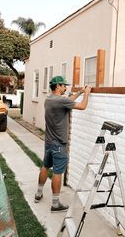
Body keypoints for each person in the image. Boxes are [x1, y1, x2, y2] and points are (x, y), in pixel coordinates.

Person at [34, 75, 91, 212]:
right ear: (58, 86)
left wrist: (79, 92)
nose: (66, 87)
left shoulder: (49, 100)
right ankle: (55, 204)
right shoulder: (60, 101)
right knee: (57, 173)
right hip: (59, 144)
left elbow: (67, 101)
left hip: (49, 142)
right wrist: (87, 93)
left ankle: (38, 193)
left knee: (45, 166)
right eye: (64, 85)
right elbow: (82, 106)